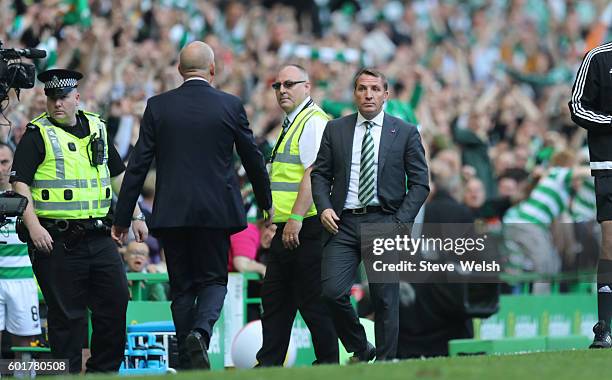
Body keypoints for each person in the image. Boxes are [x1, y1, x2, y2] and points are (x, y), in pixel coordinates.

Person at [112, 41, 272, 370]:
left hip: (172, 213)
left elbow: (138, 164)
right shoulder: (230, 105)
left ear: (179, 70)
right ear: (213, 70)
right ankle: (199, 334)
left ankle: (188, 361)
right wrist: (267, 202)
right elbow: (253, 159)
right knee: (214, 281)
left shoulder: (158, 106)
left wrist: (123, 216)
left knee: (182, 286)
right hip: (216, 212)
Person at [10, 69, 147, 373]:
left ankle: (103, 372)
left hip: (99, 237)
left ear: (77, 98)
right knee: (66, 319)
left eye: (62, 98)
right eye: (51, 98)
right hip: (57, 240)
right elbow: (21, 186)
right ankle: (64, 375)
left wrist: (135, 213)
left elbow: (120, 177)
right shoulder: (37, 134)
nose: (57, 104)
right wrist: (33, 226)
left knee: (114, 304)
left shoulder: (98, 128)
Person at [311, 68, 430, 361]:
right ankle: (362, 348)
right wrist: (324, 206)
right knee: (332, 292)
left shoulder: (404, 132)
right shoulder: (335, 129)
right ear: (354, 94)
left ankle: (387, 363)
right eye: (362, 88)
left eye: (375, 89)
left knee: (385, 299)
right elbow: (320, 176)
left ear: (386, 95)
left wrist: (401, 222)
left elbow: (420, 183)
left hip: (384, 221)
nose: (368, 94)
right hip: (342, 222)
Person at [256, 64, 338, 366]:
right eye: (277, 86)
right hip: (288, 226)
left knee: (312, 302)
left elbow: (313, 173)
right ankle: (268, 364)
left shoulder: (312, 121)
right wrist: (274, 220)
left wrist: (295, 219)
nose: (282, 90)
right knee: (276, 300)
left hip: (306, 225)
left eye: (290, 84)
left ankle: (328, 362)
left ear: (308, 86)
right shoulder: (293, 122)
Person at [568, 40, 612, 348]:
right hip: (610, 164)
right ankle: (604, 328)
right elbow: (577, 105)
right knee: (611, 241)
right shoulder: (598, 57)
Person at [0, 143, 42, 354]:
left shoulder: (29, 196)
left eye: (4, 162)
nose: (0, 169)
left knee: (24, 345)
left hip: (22, 280)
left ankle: (23, 376)